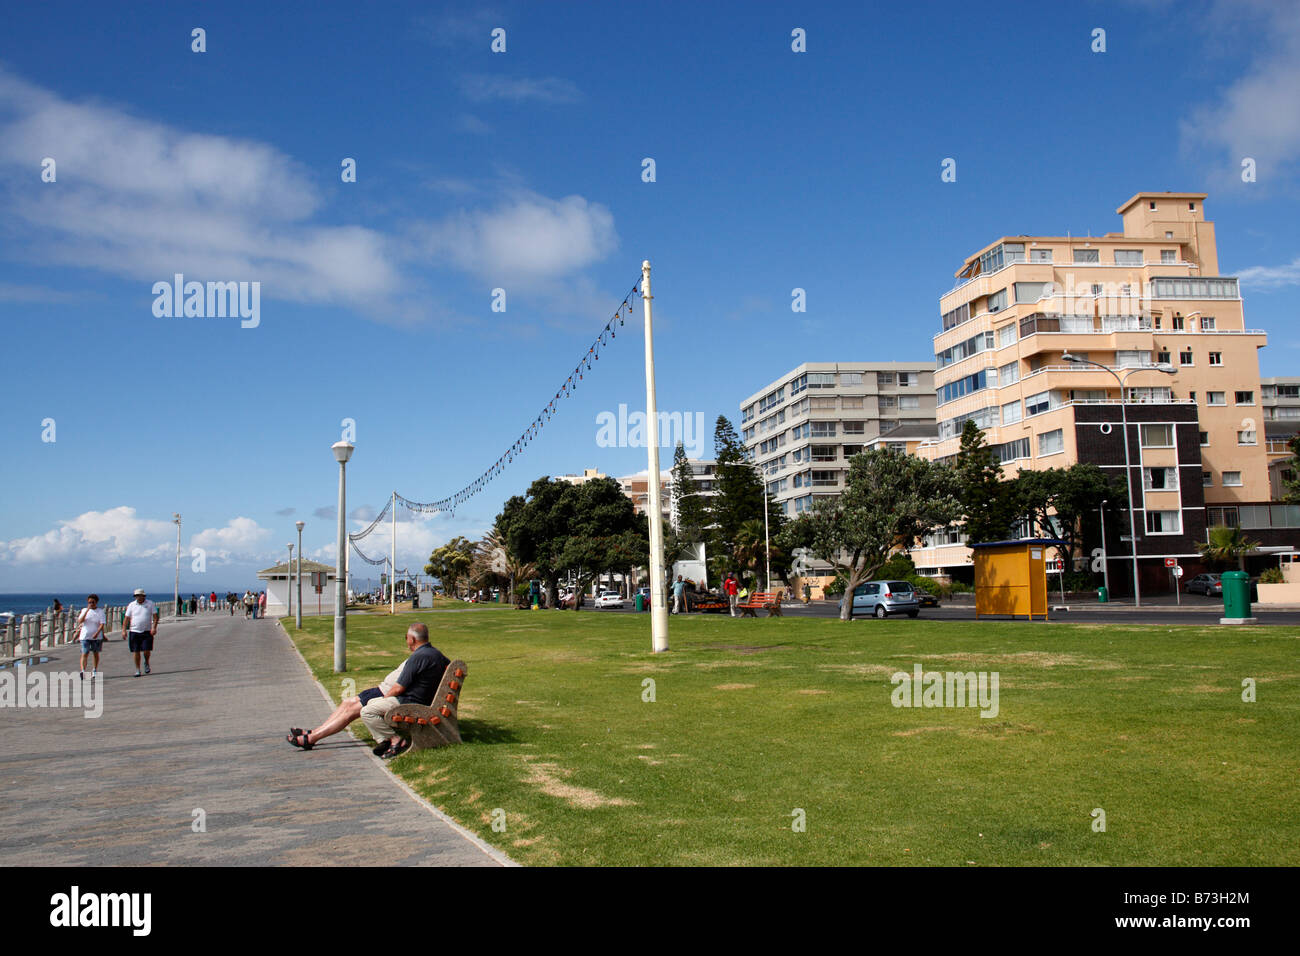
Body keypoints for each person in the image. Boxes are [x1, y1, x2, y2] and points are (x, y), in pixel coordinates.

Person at [287, 622, 450, 760]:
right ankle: (314, 732)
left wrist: (384, 699)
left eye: (406, 638)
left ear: (412, 639)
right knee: (347, 703)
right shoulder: (434, 654)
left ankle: (312, 738)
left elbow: (399, 687)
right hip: (391, 692)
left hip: (396, 696)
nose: (406, 641)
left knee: (352, 710)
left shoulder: (420, 656)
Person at [122, 588, 159, 676]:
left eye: (140, 596)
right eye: (136, 596)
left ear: (143, 596)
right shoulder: (131, 605)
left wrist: (154, 628)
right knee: (136, 651)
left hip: (146, 631)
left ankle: (146, 662)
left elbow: (155, 617)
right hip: (134, 631)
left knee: (146, 650)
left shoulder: (150, 604)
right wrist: (124, 630)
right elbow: (126, 618)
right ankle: (137, 669)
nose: (138, 597)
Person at [76, 594, 107, 679]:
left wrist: (97, 633)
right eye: (89, 602)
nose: (91, 604)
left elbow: (102, 624)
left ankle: (94, 669)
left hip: (96, 637)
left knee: (95, 653)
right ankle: (83, 671)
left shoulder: (100, 611)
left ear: (96, 602)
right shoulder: (84, 610)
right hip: (85, 636)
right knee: (84, 653)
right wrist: (87, 610)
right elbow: (80, 621)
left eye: (93, 602)